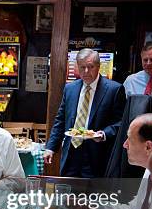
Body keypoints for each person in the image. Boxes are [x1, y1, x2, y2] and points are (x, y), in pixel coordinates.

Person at [44, 48, 125, 178]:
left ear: (98, 66)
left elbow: (121, 122)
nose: (86, 71)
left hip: (97, 155)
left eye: (90, 67)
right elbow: (60, 120)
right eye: (82, 67)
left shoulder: (114, 90)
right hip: (71, 151)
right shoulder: (70, 88)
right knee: (67, 193)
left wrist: (104, 134)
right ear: (77, 67)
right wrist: (51, 147)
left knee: (93, 195)